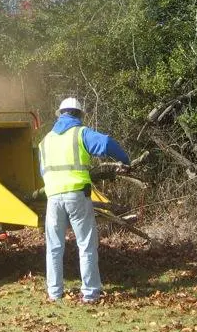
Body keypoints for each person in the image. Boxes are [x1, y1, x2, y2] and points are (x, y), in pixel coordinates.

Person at [38, 97, 130, 303]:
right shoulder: (81, 133)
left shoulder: (45, 141)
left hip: (53, 197)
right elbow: (106, 143)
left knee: (54, 247)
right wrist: (125, 160)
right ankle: (90, 293)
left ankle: (54, 293)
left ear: (60, 114)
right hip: (77, 195)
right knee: (86, 244)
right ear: (79, 114)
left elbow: (42, 171)